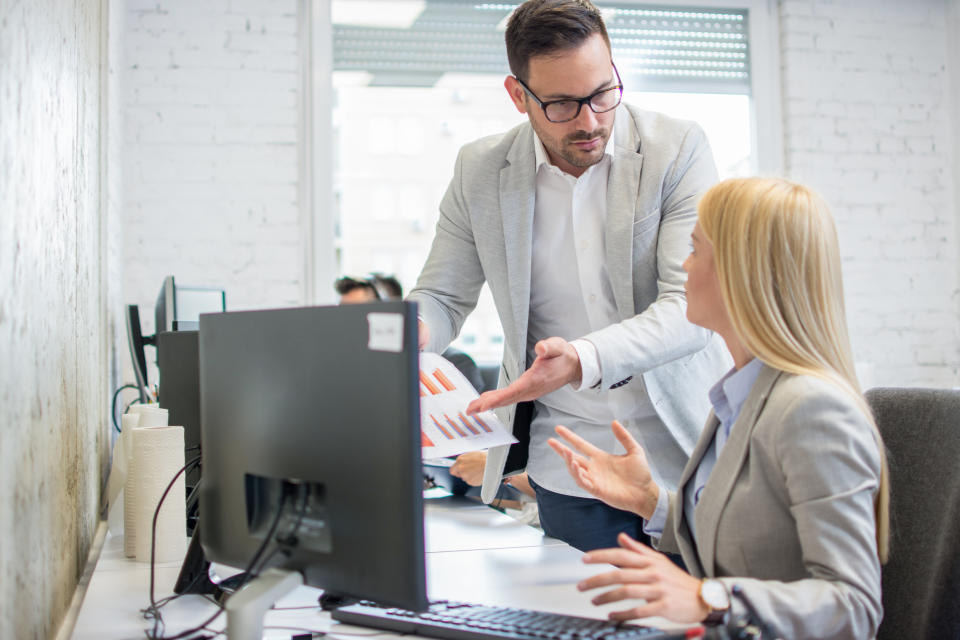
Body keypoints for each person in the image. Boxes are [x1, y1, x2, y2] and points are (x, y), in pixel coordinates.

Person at [407, 0, 730, 551]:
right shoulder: (480, 171)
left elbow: (690, 308)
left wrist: (581, 359)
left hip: (685, 452)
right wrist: (407, 336)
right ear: (518, 96)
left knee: (706, 621)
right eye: (561, 104)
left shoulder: (675, 148)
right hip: (570, 470)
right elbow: (441, 294)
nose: (590, 121)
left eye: (603, 93)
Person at [549, 177, 889, 638]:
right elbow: (752, 534)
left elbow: (854, 606)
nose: (684, 266)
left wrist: (706, 598)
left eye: (694, 249)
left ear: (740, 270)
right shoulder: (740, 393)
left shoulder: (814, 411)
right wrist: (649, 501)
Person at [335, 273, 486, 392]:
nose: (348, 324)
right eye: (343, 314)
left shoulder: (455, 363)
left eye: (356, 313)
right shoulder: (350, 369)